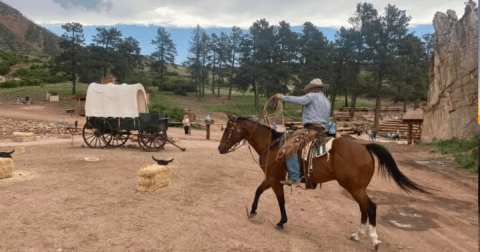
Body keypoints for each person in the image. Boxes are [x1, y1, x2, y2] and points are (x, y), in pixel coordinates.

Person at [275, 78, 331, 185]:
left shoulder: (312, 96)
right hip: (323, 130)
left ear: (314, 88)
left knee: (289, 147)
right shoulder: (327, 101)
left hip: (312, 129)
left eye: (311, 88)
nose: (310, 91)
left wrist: (282, 97)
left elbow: (299, 100)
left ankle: (294, 176)